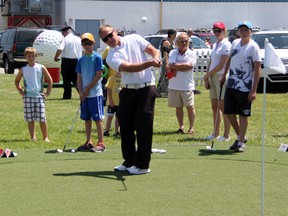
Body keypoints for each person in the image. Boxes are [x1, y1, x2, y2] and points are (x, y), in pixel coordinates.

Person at [99, 24, 162, 175]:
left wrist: (156, 57)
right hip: (127, 90)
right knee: (125, 126)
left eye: (110, 35)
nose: (109, 40)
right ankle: (129, 161)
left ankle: (143, 165)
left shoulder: (134, 38)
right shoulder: (111, 56)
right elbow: (129, 67)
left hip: (147, 88)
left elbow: (153, 50)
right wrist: (150, 63)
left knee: (143, 126)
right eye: (105, 39)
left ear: (115, 32)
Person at [220, 21, 261, 152]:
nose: (244, 32)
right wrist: (223, 75)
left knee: (243, 114)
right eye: (241, 30)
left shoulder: (253, 47)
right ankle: (240, 136)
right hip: (232, 83)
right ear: (238, 32)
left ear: (251, 32)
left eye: (246, 30)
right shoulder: (235, 43)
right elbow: (229, 60)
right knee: (228, 112)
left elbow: (257, 68)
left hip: (245, 86)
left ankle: (241, 142)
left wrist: (253, 90)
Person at [75, 33, 106, 152]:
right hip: (84, 94)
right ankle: (89, 141)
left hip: (95, 93)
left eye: (89, 43)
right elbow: (79, 77)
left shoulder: (97, 58)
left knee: (97, 119)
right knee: (86, 118)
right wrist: (81, 92)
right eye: (84, 43)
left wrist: (88, 89)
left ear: (93, 44)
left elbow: (98, 75)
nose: (86, 46)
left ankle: (101, 142)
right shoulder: (81, 59)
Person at [15, 47, 53, 142]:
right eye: (29, 56)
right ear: (26, 57)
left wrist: (47, 93)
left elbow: (50, 80)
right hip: (28, 96)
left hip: (39, 96)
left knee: (42, 118)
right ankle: (33, 137)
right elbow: (16, 81)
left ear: (36, 56)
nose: (31, 58)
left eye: (33, 56)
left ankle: (45, 137)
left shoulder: (41, 67)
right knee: (30, 118)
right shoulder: (23, 69)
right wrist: (21, 92)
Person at [204, 21, 231, 142]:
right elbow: (211, 61)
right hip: (213, 76)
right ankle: (215, 133)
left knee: (223, 106)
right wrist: (207, 76)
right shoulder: (215, 44)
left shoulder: (226, 44)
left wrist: (209, 74)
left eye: (219, 30)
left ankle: (226, 135)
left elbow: (222, 64)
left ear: (224, 31)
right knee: (214, 106)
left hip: (221, 77)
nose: (216, 33)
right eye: (215, 30)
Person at [168, 32, 197, 135]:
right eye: (182, 41)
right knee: (178, 107)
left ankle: (191, 128)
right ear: (177, 42)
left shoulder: (192, 53)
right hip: (174, 85)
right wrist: (182, 66)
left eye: (186, 41)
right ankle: (181, 126)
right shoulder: (172, 53)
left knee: (190, 106)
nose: (184, 43)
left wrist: (176, 66)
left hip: (187, 85)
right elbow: (170, 66)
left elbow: (189, 66)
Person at [54, 26, 82, 100]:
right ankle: (82, 93)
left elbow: (60, 49)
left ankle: (67, 96)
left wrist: (56, 57)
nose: (62, 34)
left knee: (66, 79)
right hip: (77, 61)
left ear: (66, 32)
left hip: (66, 62)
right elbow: (83, 50)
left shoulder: (65, 39)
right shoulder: (79, 39)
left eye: (63, 32)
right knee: (76, 79)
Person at [157, 29, 177, 97]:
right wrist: (167, 63)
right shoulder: (166, 42)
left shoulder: (172, 42)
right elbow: (166, 54)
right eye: (174, 35)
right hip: (166, 60)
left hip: (171, 60)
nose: (175, 36)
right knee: (165, 76)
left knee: (168, 75)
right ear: (170, 35)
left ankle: (164, 90)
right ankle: (163, 91)